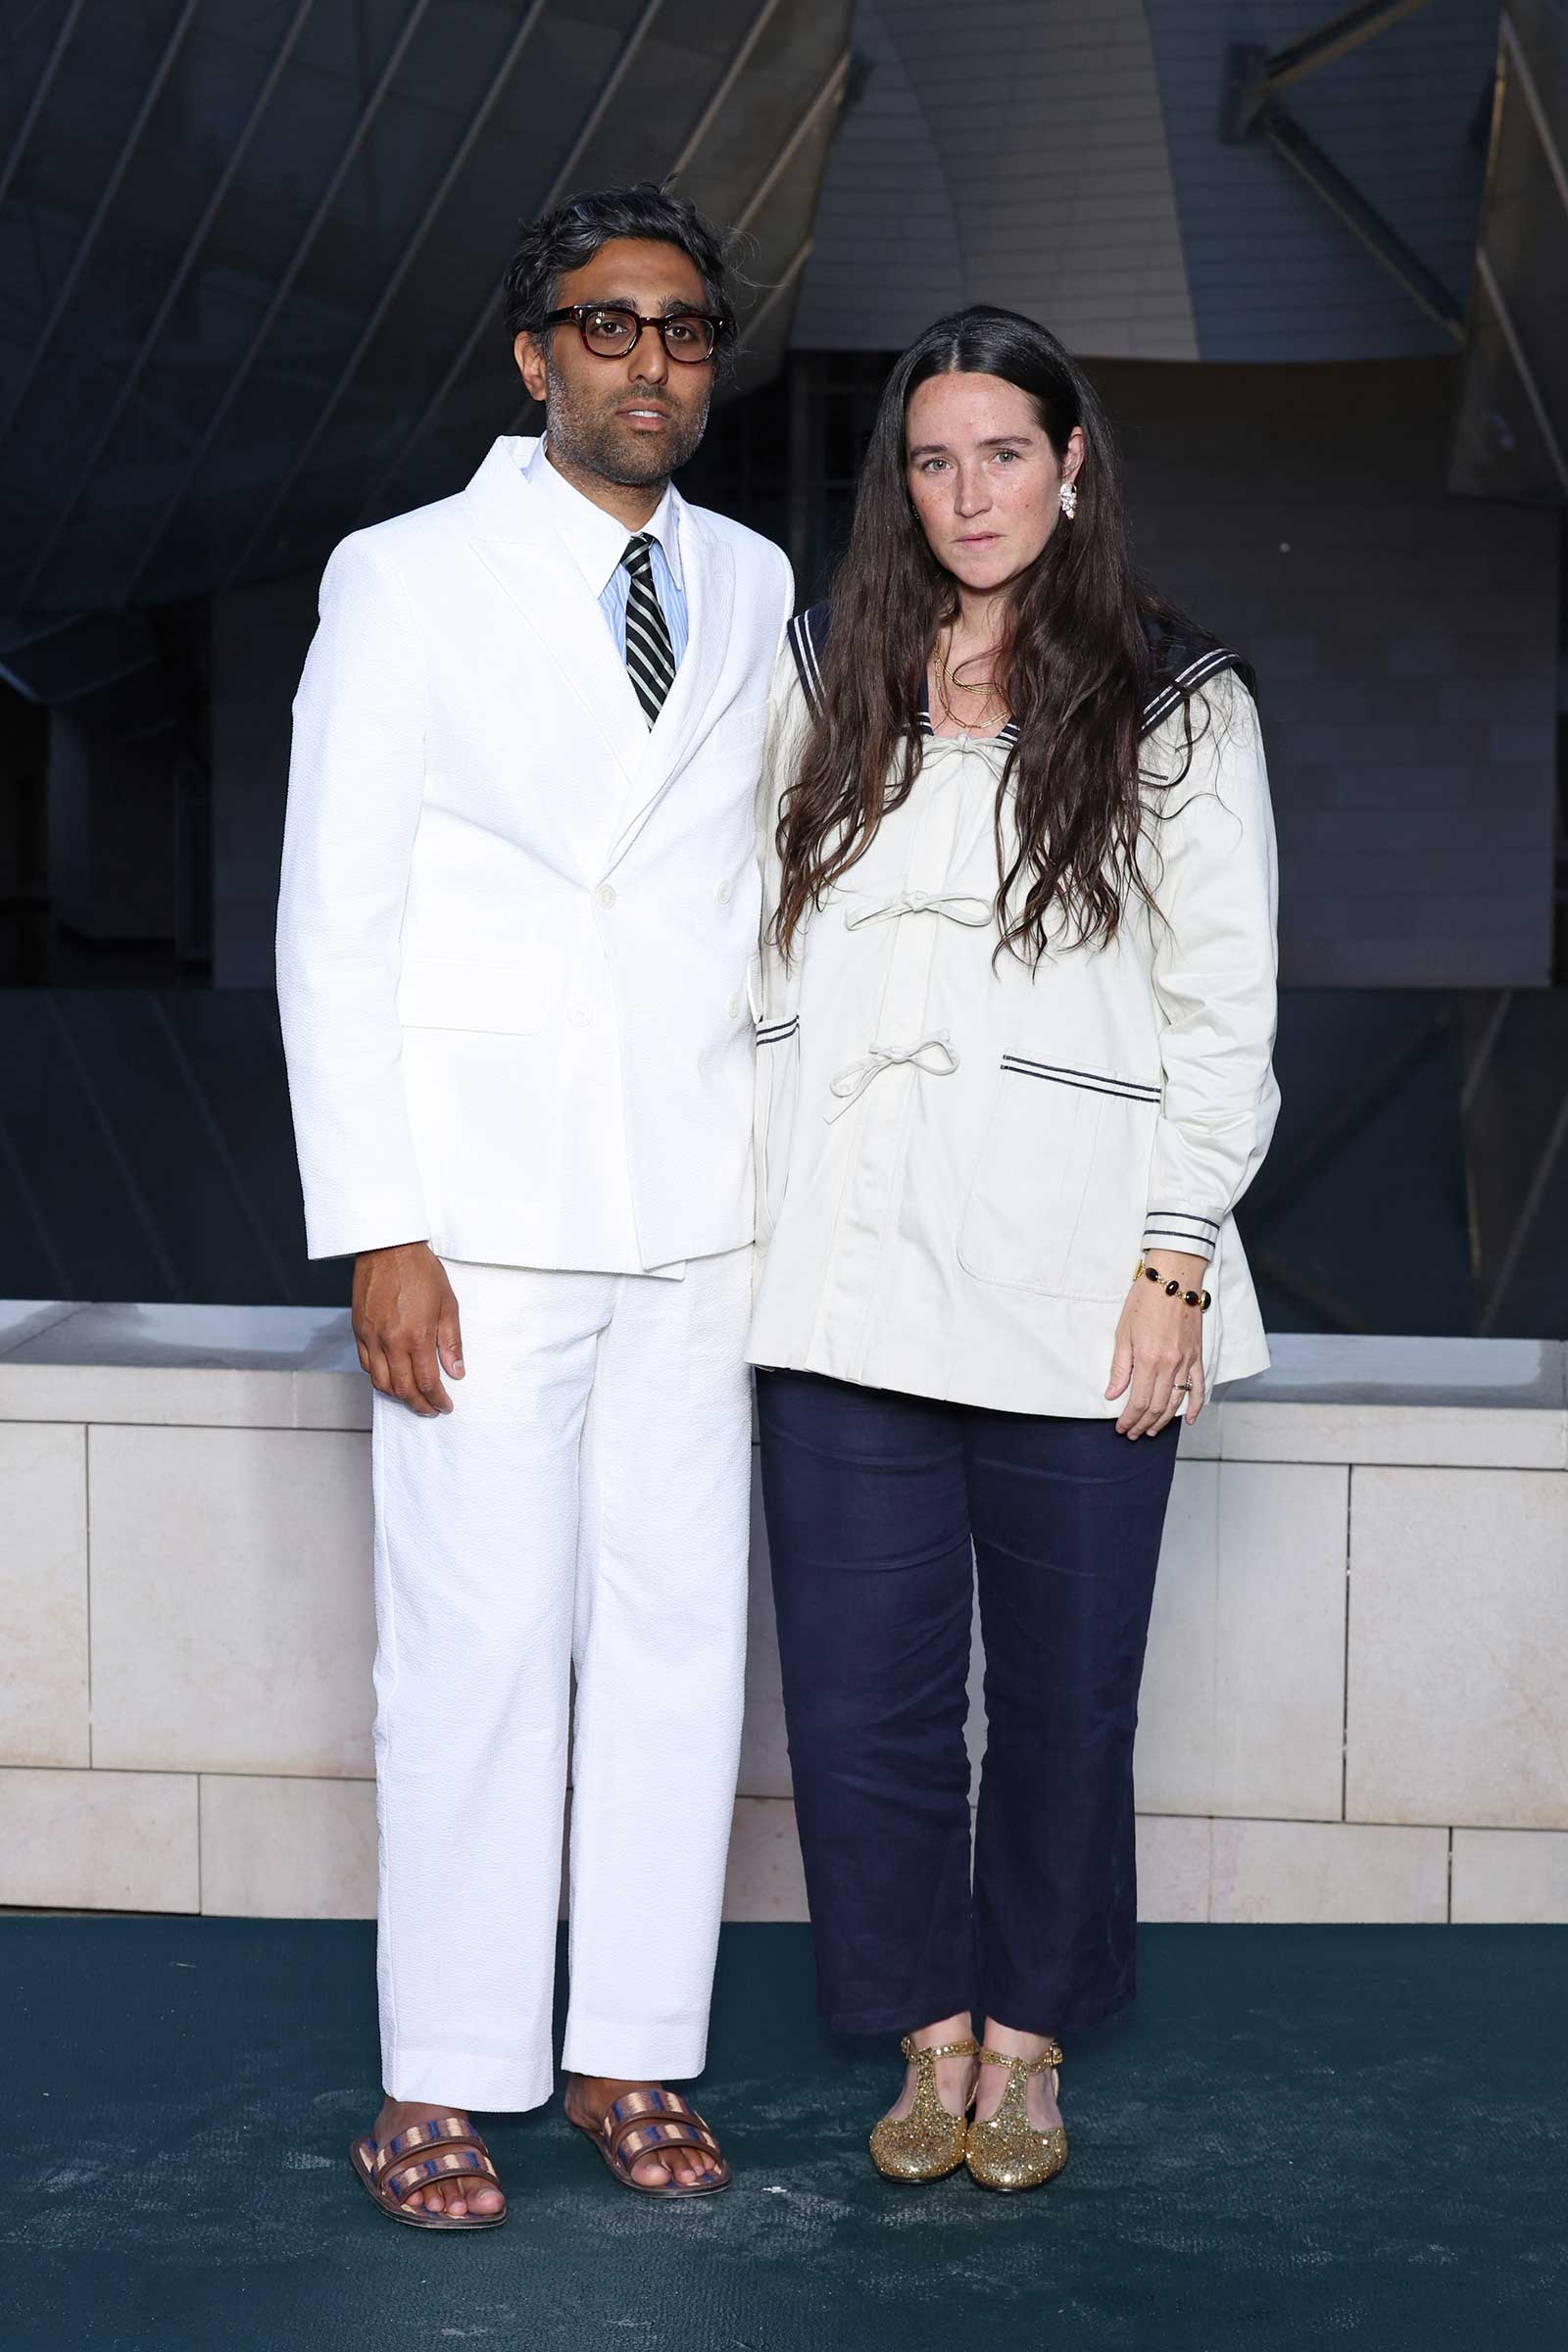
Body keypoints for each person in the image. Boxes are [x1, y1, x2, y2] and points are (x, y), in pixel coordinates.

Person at [276, 183, 792, 2228]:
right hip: (477, 1218)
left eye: (682, 328)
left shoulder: (752, 579)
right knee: (478, 1651)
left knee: (678, 1649)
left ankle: (628, 2052)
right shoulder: (403, 576)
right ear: (532, 354)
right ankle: (441, 2077)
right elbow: (337, 919)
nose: (648, 360)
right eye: (606, 325)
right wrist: (377, 1222)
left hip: (702, 1204)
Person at [748, 307, 1279, 2193]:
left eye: (1001, 453)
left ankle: (1031, 2041)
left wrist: (1176, 1258)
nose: (968, 493)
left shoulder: (1178, 694)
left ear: (1070, 464)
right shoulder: (829, 664)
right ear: (900, 482)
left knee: (1065, 1694)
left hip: (1083, 1271)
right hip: (843, 1266)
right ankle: (928, 2033)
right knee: (857, 1698)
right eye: (932, 458)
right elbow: (750, 947)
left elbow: (1226, 1004)